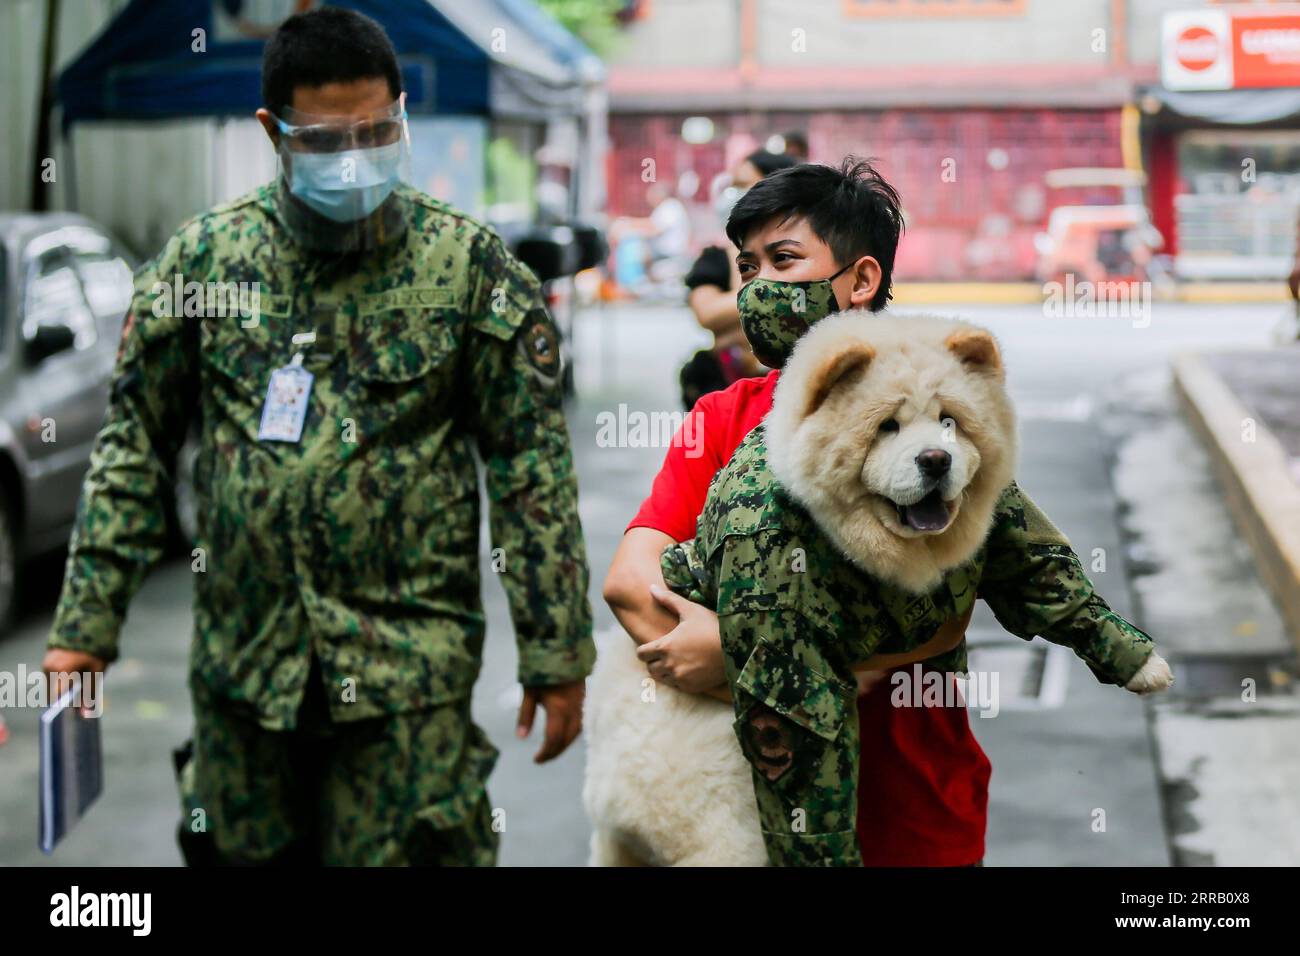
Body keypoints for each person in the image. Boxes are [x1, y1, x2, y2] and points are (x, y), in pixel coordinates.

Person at [41, 7, 593, 866]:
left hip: (406, 683)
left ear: (403, 113)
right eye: (329, 139)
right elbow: (133, 451)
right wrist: (84, 625)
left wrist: (555, 650)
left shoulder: (467, 270)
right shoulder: (204, 266)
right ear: (273, 130)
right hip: (246, 677)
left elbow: (530, 470)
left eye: (378, 129)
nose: (357, 155)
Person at [605, 159, 991, 867]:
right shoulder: (721, 417)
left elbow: (941, 614)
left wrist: (734, 654)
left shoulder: (939, 406)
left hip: (911, 811)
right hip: (749, 822)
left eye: (783, 261)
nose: (756, 288)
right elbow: (632, 582)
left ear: (861, 280)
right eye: (747, 269)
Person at [679, 149, 796, 409]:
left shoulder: (804, 252)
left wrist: (732, 329)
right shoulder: (715, 257)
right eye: (732, 185)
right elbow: (707, 314)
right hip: (730, 386)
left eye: (742, 185)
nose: (730, 194)